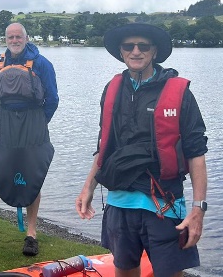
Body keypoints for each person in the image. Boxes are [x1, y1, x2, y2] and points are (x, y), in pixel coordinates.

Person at [75, 23, 208, 277]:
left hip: (164, 205)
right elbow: (104, 146)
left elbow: (196, 152)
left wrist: (198, 209)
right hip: (119, 202)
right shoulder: (112, 89)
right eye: (129, 46)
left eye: (143, 46)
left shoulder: (180, 93)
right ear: (122, 52)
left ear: (154, 51)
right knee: (124, 269)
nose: (136, 51)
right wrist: (88, 188)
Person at [0, 22, 59, 257]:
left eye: (19, 37)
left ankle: (31, 234)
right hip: (5, 121)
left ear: (26, 38)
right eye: (11, 37)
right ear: (5, 39)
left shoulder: (43, 64)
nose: (15, 40)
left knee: (33, 174)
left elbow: (54, 99)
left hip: (33, 122)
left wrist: (39, 123)